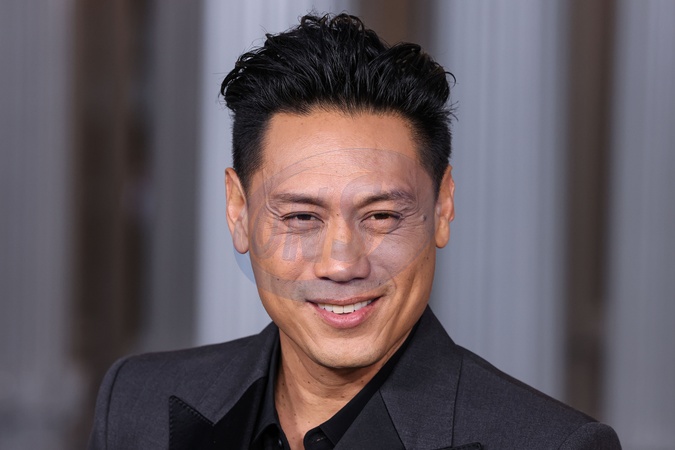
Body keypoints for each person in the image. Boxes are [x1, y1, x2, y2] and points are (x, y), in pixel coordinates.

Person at [88, 13, 621, 450]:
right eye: (301, 217)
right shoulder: (135, 403)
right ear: (238, 210)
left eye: (382, 216)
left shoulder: (554, 444)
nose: (342, 263)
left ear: (442, 207)